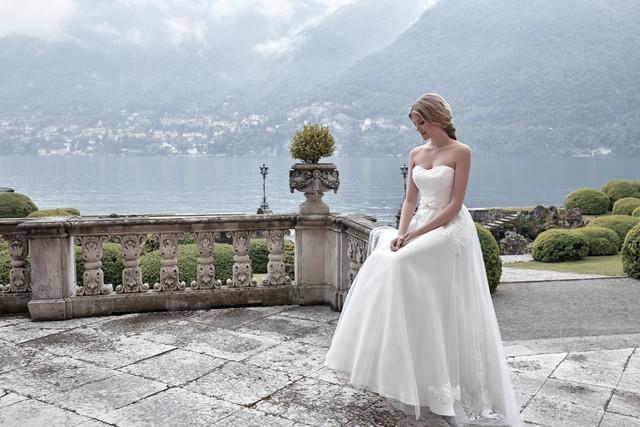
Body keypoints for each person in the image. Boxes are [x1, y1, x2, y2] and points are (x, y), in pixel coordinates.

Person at [323, 93, 524, 427]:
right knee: (384, 258)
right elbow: (409, 201)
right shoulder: (416, 153)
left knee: (400, 264)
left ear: (437, 118)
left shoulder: (461, 152)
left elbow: (454, 205)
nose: (418, 128)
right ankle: (396, 364)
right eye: (415, 123)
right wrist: (402, 233)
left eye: (421, 122)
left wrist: (415, 235)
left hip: (448, 228)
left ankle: (441, 387)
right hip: (418, 225)